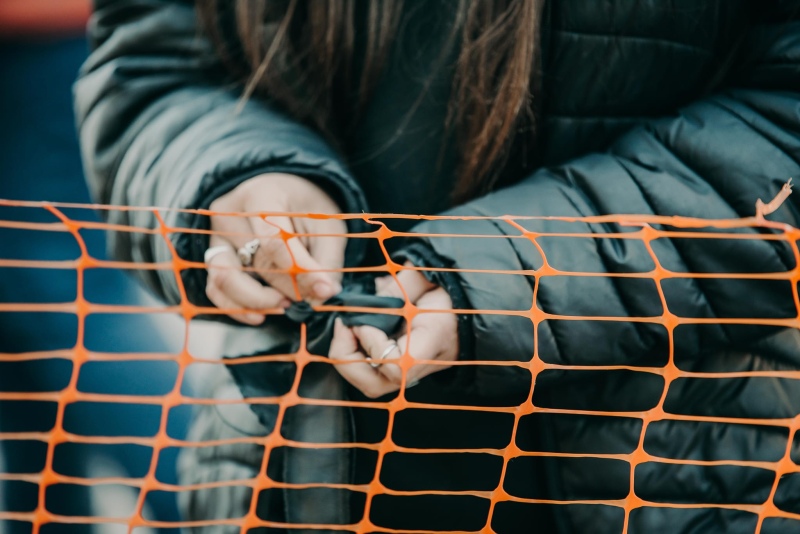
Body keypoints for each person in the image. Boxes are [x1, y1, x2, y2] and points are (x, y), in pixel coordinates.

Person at [75, 0, 800, 532]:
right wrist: (234, 183)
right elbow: (152, 63)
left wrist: (497, 279)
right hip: (290, 476)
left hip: (693, 479)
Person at [0, 1, 189, 532]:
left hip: (41, 48)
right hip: (44, 47)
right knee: (23, 343)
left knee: (66, 301)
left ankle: (232, 507)